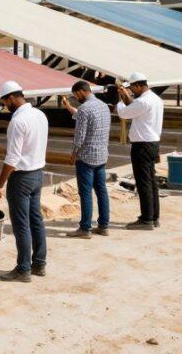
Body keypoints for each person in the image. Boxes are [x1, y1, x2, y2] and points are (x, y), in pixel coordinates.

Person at [0, 81, 48, 282]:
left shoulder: (18, 121)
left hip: (22, 177)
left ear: (11, 98)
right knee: (36, 220)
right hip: (38, 173)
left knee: (21, 224)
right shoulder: (40, 115)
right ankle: (39, 263)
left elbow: (12, 158)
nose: (5, 105)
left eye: (5, 102)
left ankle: (23, 268)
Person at [60, 80, 110, 238]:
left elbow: (80, 135)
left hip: (86, 157)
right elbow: (87, 119)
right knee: (102, 191)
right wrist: (69, 108)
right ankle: (103, 225)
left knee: (86, 193)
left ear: (80, 91)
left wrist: (74, 154)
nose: (76, 98)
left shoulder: (84, 109)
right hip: (101, 156)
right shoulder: (104, 106)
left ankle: (85, 228)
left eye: (76, 95)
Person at [114, 72, 163, 230]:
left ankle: (146, 219)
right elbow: (134, 106)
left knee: (144, 183)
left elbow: (123, 113)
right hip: (152, 143)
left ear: (138, 86)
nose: (132, 92)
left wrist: (120, 100)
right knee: (151, 181)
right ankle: (153, 217)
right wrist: (126, 96)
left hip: (142, 145)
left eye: (133, 89)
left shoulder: (143, 102)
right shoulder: (155, 99)